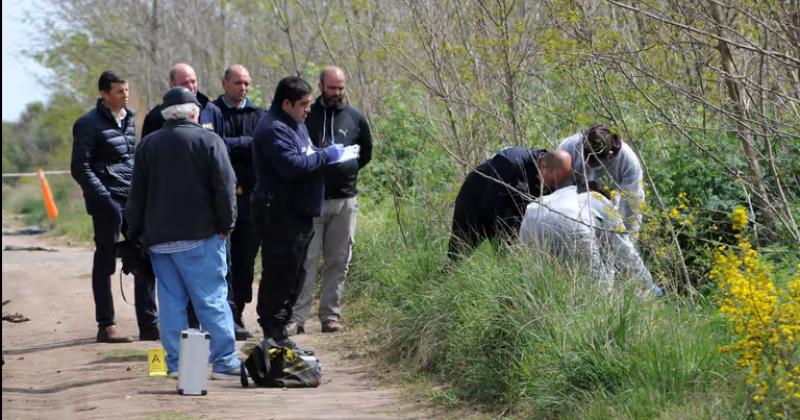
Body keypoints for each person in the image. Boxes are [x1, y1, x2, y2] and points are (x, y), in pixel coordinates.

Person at [126, 87, 241, 379]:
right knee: (211, 300)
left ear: (166, 114)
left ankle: (177, 365)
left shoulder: (148, 145)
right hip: (201, 237)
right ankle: (225, 362)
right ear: (195, 112)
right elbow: (225, 188)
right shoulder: (209, 140)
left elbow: (136, 196)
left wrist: (136, 234)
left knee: (171, 305)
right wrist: (227, 225)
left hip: (160, 242)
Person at [251, 76, 344, 348]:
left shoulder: (296, 125)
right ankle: (272, 330)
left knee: (295, 274)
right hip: (280, 216)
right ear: (286, 103)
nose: (308, 109)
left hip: (300, 214)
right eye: (303, 104)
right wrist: (327, 156)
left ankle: (280, 330)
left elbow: (307, 154)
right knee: (280, 273)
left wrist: (322, 153)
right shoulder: (273, 128)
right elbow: (291, 164)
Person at [70, 70, 158, 343]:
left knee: (143, 255)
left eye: (127, 90)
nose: (126, 95)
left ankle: (149, 325)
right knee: (105, 259)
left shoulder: (130, 119)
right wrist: (103, 198)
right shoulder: (87, 124)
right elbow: (80, 168)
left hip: (131, 198)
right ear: (104, 94)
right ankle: (106, 325)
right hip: (106, 201)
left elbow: (130, 161)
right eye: (119, 91)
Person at [288, 66, 373, 335]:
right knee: (307, 260)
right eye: (332, 87)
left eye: (340, 88)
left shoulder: (355, 118)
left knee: (338, 260)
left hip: (345, 201)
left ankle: (330, 316)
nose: (337, 93)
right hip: (311, 200)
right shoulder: (306, 117)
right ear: (321, 86)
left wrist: (344, 172)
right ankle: (298, 317)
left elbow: (366, 154)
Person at [519, 186, 662, 296]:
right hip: (573, 221)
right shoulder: (604, 203)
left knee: (543, 281)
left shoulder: (568, 190)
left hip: (531, 219)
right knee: (599, 292)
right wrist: (649, 283)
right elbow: (626, 251)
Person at [212, 64, 263, 340]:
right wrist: (246, 142)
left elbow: (263, 144)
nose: (242, 88)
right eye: (237, 83)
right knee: (223, 262)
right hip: (221, 201)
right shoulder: (212, 112)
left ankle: (239, 311)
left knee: (245, 261)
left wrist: (233, 143)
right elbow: (213, 144)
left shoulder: (258, 115)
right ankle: (225, 315)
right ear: (224, 83)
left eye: (246, 83)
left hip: (250, 201)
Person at [447, 147, 572, 260]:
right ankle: (442, 281)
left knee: (512, 259)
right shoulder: (511, 162)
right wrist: (510, 242)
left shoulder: (549, 174)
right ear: (544, 165)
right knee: (458, 256)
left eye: (558, 182)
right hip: (475, 200)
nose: (554, 186)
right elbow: (496, 208)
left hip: (505, 209)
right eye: (553, 180)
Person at [558, 124, 645, 236]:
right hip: (571, 206)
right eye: (587, 159)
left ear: (610, 153)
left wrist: (627, 238)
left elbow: (632, 206)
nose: (590, 166)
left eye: (595, 163)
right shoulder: (569, 146)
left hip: (608, 210)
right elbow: (555, 185)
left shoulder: (628, 162)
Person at [141, 63, 224, 138]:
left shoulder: (212, 112)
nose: (191, 87)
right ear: (172, 85)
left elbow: (222, 147)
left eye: (193, 81)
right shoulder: (156, 117)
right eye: (185, 83)